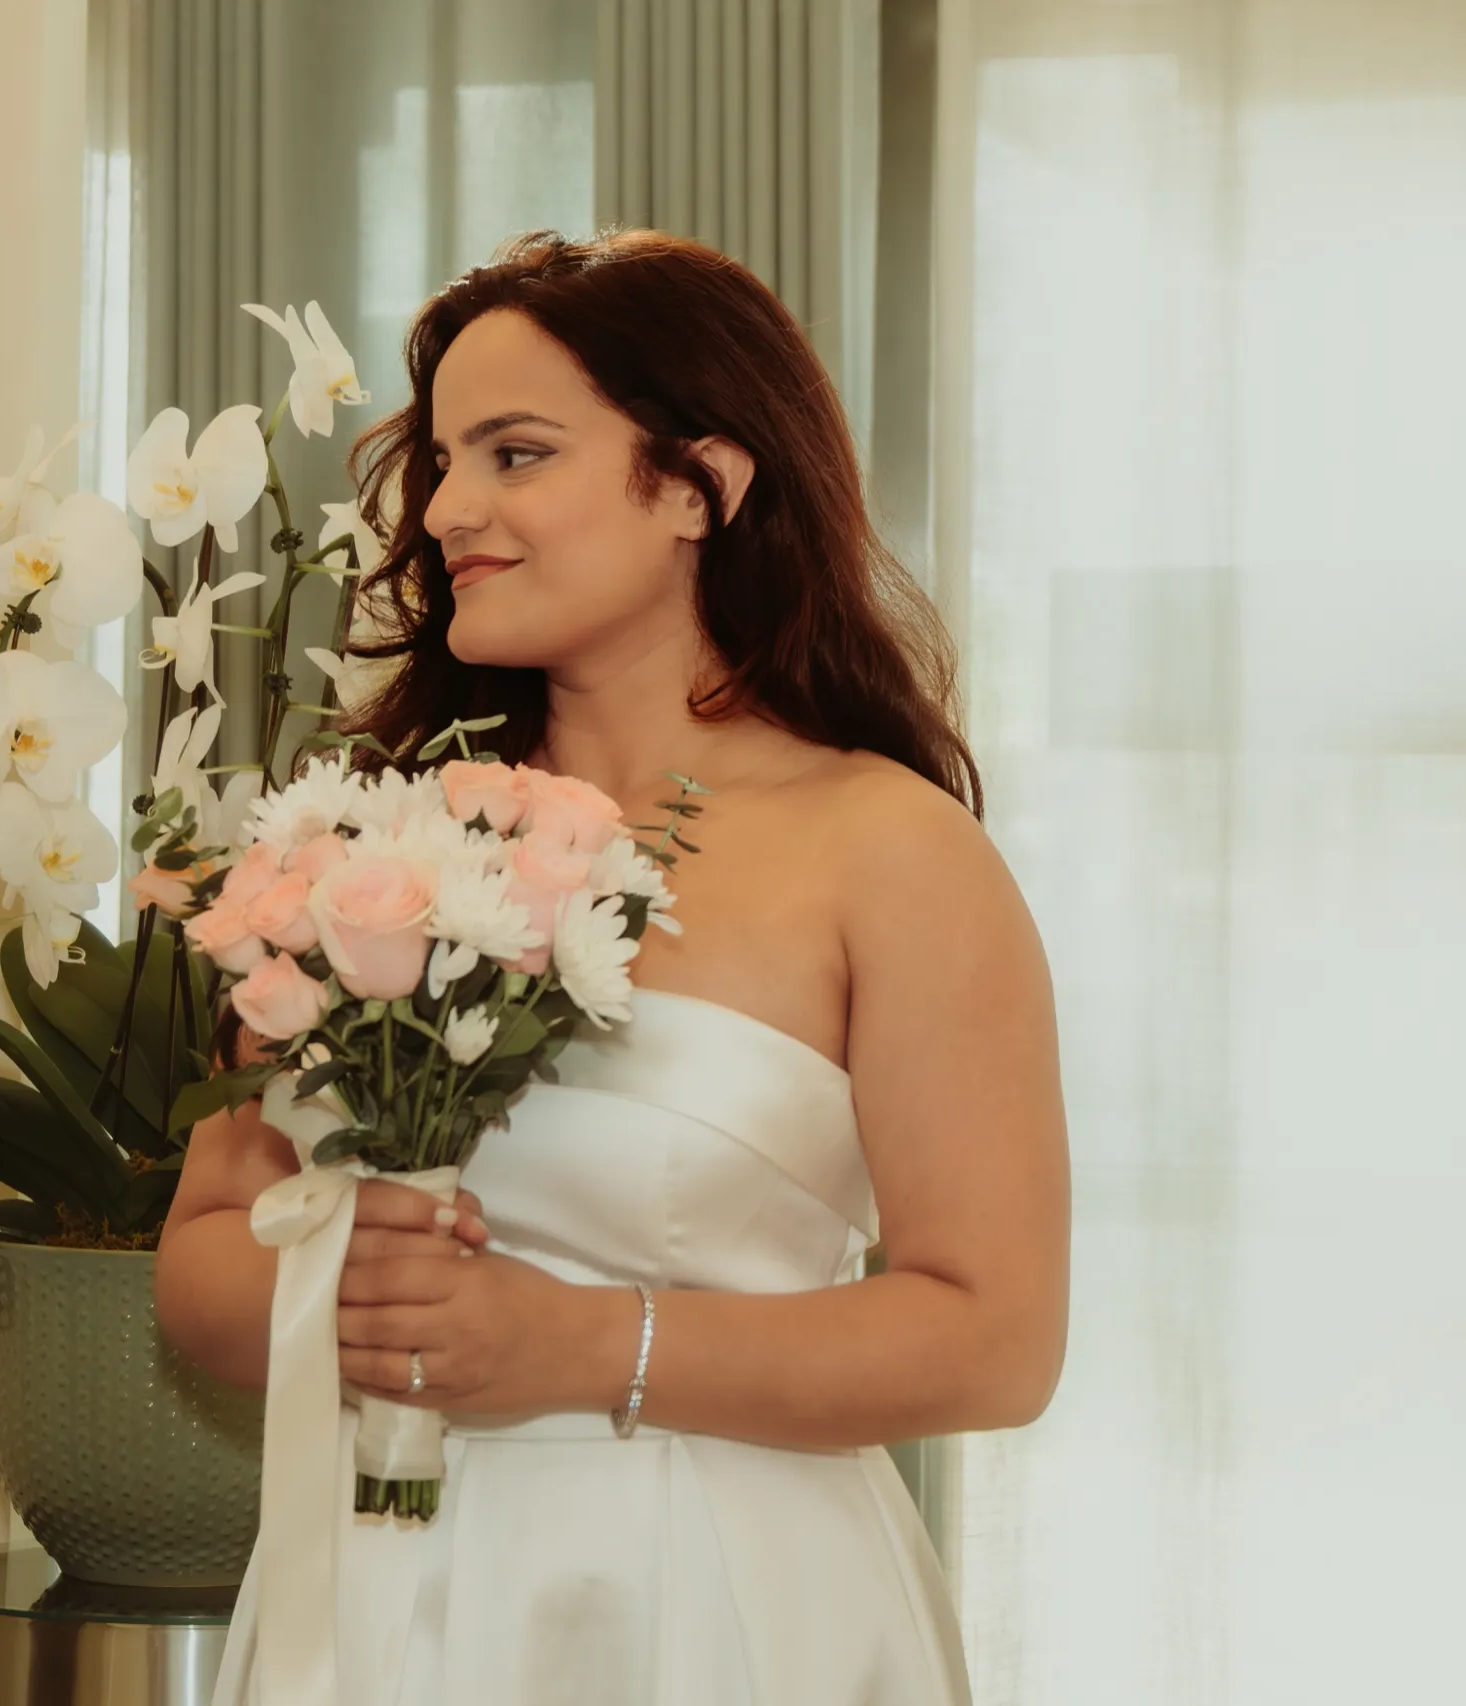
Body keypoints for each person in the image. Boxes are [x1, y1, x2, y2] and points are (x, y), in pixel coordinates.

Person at [154, 227, 1070, 1706]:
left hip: (725, 1606)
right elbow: (200, 1256)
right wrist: (338, 1296)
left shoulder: (889, 850)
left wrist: (588, 1343)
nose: (450, 509)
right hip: (383, 1607)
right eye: (444, 461)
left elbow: (995, 1336)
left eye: (516, 454)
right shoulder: (366, 838)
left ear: (702, 485)